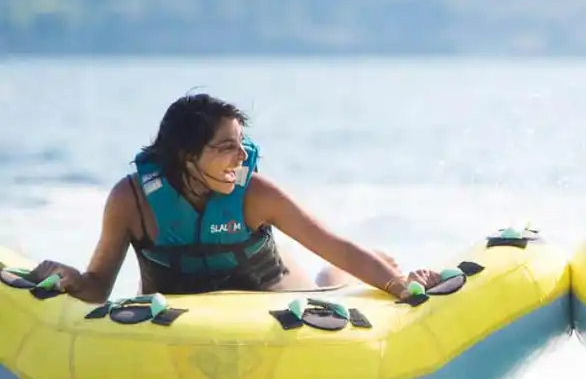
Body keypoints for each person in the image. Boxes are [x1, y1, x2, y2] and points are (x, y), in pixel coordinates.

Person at [24, 93, 440, 302]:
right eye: (226, 146)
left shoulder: (256, 194)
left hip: (275, 296)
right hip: (178, 314)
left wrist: (397, 284)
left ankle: (348, 273)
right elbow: (99, 286)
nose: (242, 156)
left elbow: (336, 244)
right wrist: (72, 279)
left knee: (330, 278)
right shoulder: (131, 200)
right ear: (188, 156)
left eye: (242, 144)